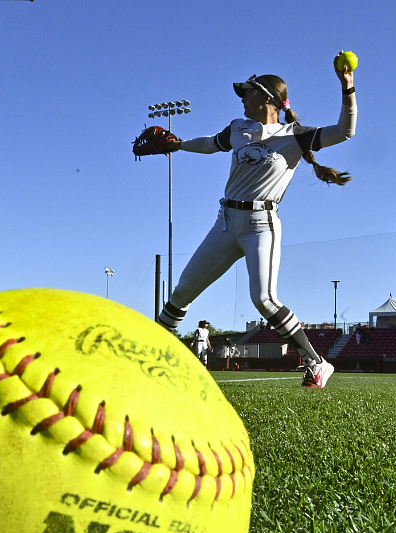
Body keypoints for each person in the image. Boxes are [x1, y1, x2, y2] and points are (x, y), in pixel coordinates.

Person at [153, 55, 357, 389]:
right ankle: (149, 350)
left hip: (261, 225)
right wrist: (179, 145)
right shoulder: (238, 128)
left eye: (247, 92)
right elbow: (210, 144)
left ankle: (317, 363)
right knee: (181, 293)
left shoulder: (294, 135)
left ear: (267, 98)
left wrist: (347, 90)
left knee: (263, 298)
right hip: (225, 223)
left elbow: (344, 132)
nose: (241, 98)